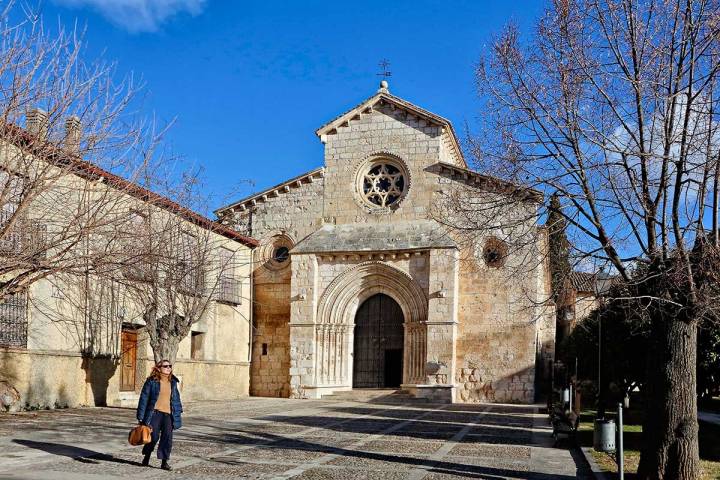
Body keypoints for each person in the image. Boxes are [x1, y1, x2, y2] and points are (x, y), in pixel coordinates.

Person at [136, 359, 183, 470]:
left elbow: (176, 398)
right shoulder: (152, 381)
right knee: (153, 436)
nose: (168, 368)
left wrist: (179, 411)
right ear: (158, 368)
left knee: (167, 438)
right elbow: (144, 398)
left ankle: (164, 462)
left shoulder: (173, 382)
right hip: (154, 414)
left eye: (170, 366)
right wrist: (141, 416)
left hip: (168, 415)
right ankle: (146, 456)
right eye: (165, 366)